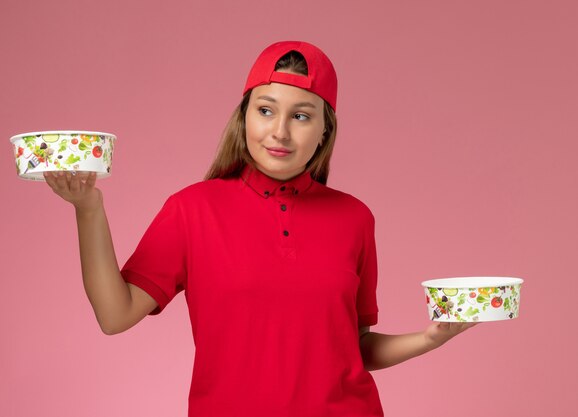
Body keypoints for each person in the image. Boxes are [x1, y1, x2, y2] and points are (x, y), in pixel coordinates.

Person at [44, 40, 475, 417]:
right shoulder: (192, 210)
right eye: (265, 110)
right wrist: (89, 209)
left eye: (302, 116)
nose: (280, 132)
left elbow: (355, 348)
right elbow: (114, 315)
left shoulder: (354, 218)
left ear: (325, 130)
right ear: (244, 117)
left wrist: (430, 338)